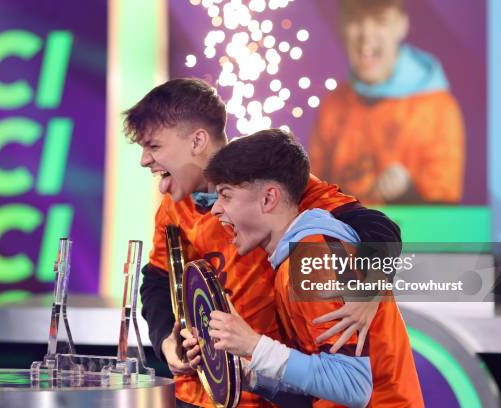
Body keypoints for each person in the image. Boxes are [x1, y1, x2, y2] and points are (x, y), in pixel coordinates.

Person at [124, 78, 402, 407]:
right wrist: (169, 341)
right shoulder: (173, 206)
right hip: (205, 389)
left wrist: (371, 286)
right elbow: (157, 279)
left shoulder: (277, 185)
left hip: (277, 392)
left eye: (154, 146)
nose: (144, 159)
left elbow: (378, 228)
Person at [187, 129, 423, 406]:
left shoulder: (313, 256)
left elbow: (352, 386)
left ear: (268, 198)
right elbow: (322, 378)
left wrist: (253, 344)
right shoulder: (294, 258)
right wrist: (250, 375)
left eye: (226, 195)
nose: (215, 210)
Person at [309, 0, 465, 204]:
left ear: (402, 26)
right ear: (341, 27)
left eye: (380, 21)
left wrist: (407, 193)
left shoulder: (438, 108)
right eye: (356, 21)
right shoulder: (333, 103)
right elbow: (313, 193)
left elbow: (445, 210)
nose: (366, 34)